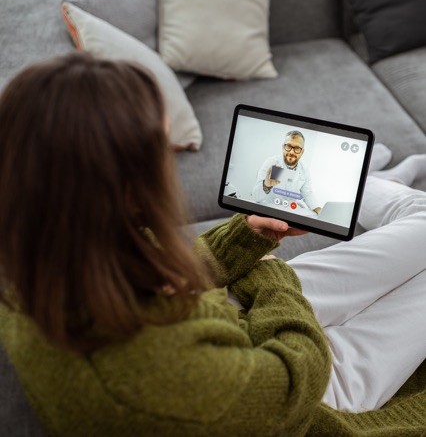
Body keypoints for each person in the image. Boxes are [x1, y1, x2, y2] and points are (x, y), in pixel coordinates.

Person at [0, 52, 425, 436]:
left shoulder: (44, 251)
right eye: (163, 154)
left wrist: (244, 239)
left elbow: (161, 279)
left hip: (241, 316)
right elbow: (297, 379)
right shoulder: (150, 385)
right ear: (126, 189)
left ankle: (364, 188)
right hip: (310, 383)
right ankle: (370, 190)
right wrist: (270, 275)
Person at [252, 130, 322, 214]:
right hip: (268, 211)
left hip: (289, 213)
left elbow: (307, 194)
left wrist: (320, 211)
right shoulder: (270, 163)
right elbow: (255, 196)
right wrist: (266, 185)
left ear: (302, 152)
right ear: (283, 147)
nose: (292, 152)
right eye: (288, 146)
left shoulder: (304, 170)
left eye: (297, 148)